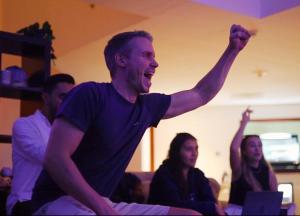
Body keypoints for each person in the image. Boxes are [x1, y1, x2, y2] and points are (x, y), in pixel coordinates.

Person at [31, 24, 251, 215]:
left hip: (102, 204)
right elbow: (55, 158)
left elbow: (202, 94)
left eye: (154, 56)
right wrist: (104, 210)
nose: (155, 63)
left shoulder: (147, 107)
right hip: (57, 203)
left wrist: (232, 50)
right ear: (121, 60)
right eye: (147, 55)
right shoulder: (90, 94)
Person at [6, 74, 75, 215]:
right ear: (45, 97)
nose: (68, 102)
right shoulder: (24, 125)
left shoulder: (71, 129)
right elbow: (51, 158)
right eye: (62, 96)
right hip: (26, 200)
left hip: (59, 201)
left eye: (71, 98)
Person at [148, 133, 224, 215]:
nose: (194, 154)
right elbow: (176, 205)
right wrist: (209, 207)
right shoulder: (164, 174)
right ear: (176, 152)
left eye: (196, 149)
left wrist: (211, 207)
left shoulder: (197, 174)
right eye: (189, 149)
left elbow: (210, 201)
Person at [228, 108, 278, 206]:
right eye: (252, 145)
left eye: (259, 145)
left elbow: (274, 201)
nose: (257, 149)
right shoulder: (239, 170)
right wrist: (243, 123)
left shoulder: (268, 171)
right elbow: (234, 149)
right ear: (244, 151)